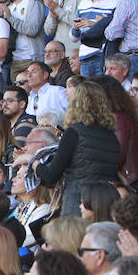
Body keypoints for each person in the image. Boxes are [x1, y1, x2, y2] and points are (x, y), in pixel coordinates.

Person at [31, 80, 120, 216]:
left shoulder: (74, 132)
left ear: (75, 103)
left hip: (78, 204)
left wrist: (34, 162)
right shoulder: (112, 137)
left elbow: (51, 177)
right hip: (105, 205)